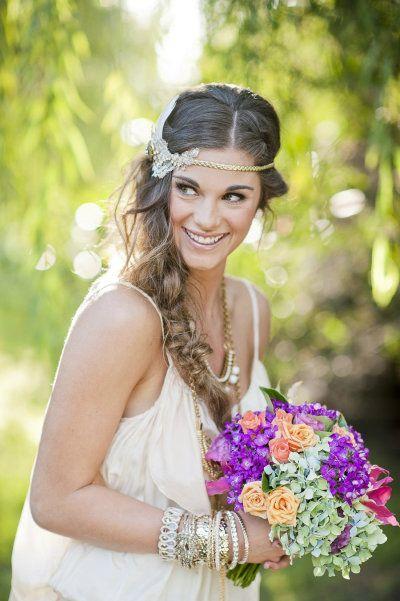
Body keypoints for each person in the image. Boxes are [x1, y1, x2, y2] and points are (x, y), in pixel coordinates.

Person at [9, 82, 290, 601]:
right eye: (189, 189)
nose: (207, 218)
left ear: (261, 201)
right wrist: (226, 541)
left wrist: (286, 515)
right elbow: (56, 499)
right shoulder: (122, 316)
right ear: (160, 185)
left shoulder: (252, 310)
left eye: (234, 196)